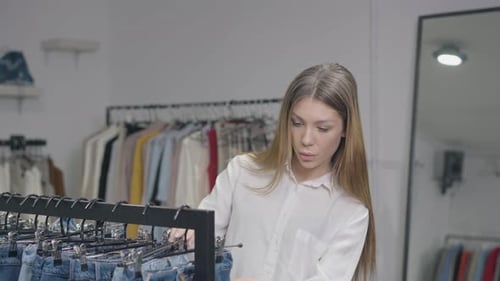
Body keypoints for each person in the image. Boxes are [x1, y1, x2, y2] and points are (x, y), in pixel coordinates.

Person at [175, 63, 376, 281]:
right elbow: (200, 242)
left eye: (322, 128)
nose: (306, 140)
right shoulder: (242, 171)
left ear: (346, 128)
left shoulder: (350, 212)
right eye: (297, 123)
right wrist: (185, 235)